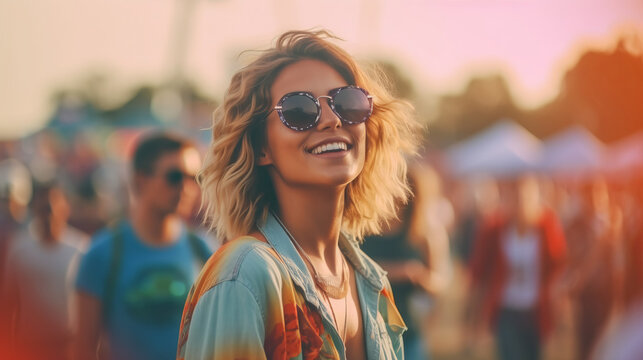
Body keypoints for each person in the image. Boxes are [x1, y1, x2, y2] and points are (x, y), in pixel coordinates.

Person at [177, 30, 420, 360]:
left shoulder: (372, 284)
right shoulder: (245, 275)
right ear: (262, 147)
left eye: (348, 102)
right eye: (299, 111)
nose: (333, 119)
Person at [73, 133, 212, 360]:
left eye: (195, 178)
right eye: (175, 177)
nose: (188, 188)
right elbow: (83, 348)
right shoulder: (101, 254)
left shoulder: (203, 250)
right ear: (140, 180)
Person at [468, 175, 566, 360]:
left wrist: (558, 297)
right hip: (507, 310)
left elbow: (558, 263)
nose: (521, 204)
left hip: (535, 310)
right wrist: (475, 310)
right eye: (517, 198)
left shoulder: (546, 228)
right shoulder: (495, 229)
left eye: (526, 198)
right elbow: (479, 269)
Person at [362, 165, 452, 359]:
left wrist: (417, 275)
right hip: (369, 328)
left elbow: (439, 284)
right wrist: (398, 272)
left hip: (408, 330)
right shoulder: (368, 227)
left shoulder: (423, 236)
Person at [1, 181, 87, 360]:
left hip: (67, 346)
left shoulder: (81, 248)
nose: (49, 215)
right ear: (34, 211)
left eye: (53, 208)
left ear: (65, 209)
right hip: (30, 346)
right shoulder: (19, 249)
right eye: (44, 209)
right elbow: (8, 304)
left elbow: (91, 306)